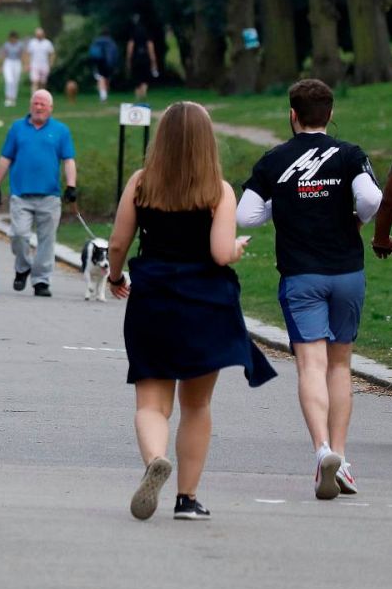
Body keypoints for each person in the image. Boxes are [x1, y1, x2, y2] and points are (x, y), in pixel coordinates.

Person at [104, 101, 275, 521]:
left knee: (151, 403)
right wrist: (234, 248)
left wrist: (114, 277)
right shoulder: (218, 190)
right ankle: (187, 498)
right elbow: (219, 253)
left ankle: (155, 460)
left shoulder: (141, 184)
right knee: (196, 406)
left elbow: (117, 244)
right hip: (205, 305)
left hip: (153, 301)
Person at [237, 80, 379, 499]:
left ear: (292, 115)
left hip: (301, 275)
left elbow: (247, 215)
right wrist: (356, 222)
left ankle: (321, 452)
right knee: (341, 366)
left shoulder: (275, 160)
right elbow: (372, 199)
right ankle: (342, 456)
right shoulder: (350, 155)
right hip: (347, 273)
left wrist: (279, 207)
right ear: (330, 114)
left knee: (311, 366)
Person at [0, 89, 77, 297]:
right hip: (21, 194)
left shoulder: (61, 131)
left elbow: (69, 160)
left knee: (47, 240)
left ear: (50, 108)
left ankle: (41, 281)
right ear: (30, 105)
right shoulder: (17, 128)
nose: (38, 107)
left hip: (49, 196)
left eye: (43, 104)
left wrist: (71, 186)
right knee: (18, 234)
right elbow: (5, 158)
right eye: (35, 103)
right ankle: (22, 267)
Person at [127, 13, 160, 97]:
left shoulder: (133, 32)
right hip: (146, 58)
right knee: (145, 78)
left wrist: (128, 59)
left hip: (135, 58)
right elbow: (150, 47)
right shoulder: (147, 33)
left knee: (136, 78)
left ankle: (138, 96)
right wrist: (153, 60)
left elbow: (130, 46)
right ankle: (143, 95)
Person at [89, 29, 119, 103]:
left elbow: (92, 53)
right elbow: (115, 54)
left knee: (100, 79)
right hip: (109, 64)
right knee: (107, 79)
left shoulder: (96, 41)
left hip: (98, 63)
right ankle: (105, 95)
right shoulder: (111, 42)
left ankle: (103, 96)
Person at [0, 31, 26, 107]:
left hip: (17, 62)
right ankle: (8, 98)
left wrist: (24, 65)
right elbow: (3, 54)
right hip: (8, 62)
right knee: (9, 80)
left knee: (15, 81)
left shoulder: (20, 45)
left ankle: (13, 98)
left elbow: (22, 55)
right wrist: (0, 66)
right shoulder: (6, 45)